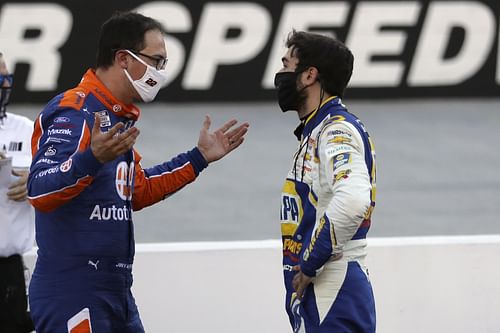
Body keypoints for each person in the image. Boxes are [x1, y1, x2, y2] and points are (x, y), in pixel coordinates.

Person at [27, 11, 249, 332]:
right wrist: (90, 158)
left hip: (117, 292)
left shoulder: (116, 117)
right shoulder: (76, 111)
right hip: (73, 291)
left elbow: (137, 190)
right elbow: (38, 190)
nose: (160, 72)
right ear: (124, 59)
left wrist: (198, 158)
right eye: (156, 61)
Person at [274, 31, 377, 332]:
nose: (280, 74)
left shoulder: (335, 130)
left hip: (333, 289)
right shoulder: (316, 130)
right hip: (327, 289)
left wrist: (309, 264)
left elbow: (355, 200)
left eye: (286, 64)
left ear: (309, 75)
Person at [0, 52, 36, 332]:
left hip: (9, 267)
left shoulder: (26, 130)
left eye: (6, 78)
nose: (4, 85)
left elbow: (60, 176)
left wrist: (34, 181)